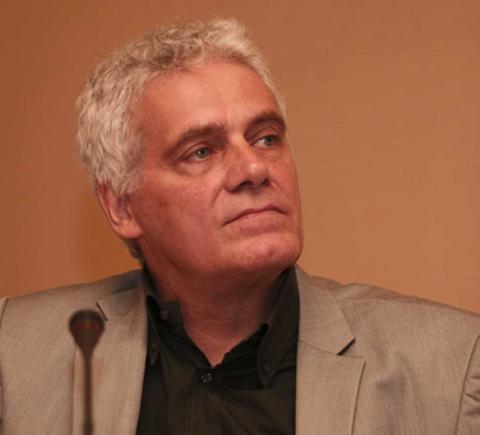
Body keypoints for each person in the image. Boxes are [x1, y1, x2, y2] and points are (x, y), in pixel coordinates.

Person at [0, 18, 478, 435]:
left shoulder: (452, 365)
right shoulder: (13, 355)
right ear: (122, 207)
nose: (254, 168)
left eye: (266, 138)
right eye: (201, 151)